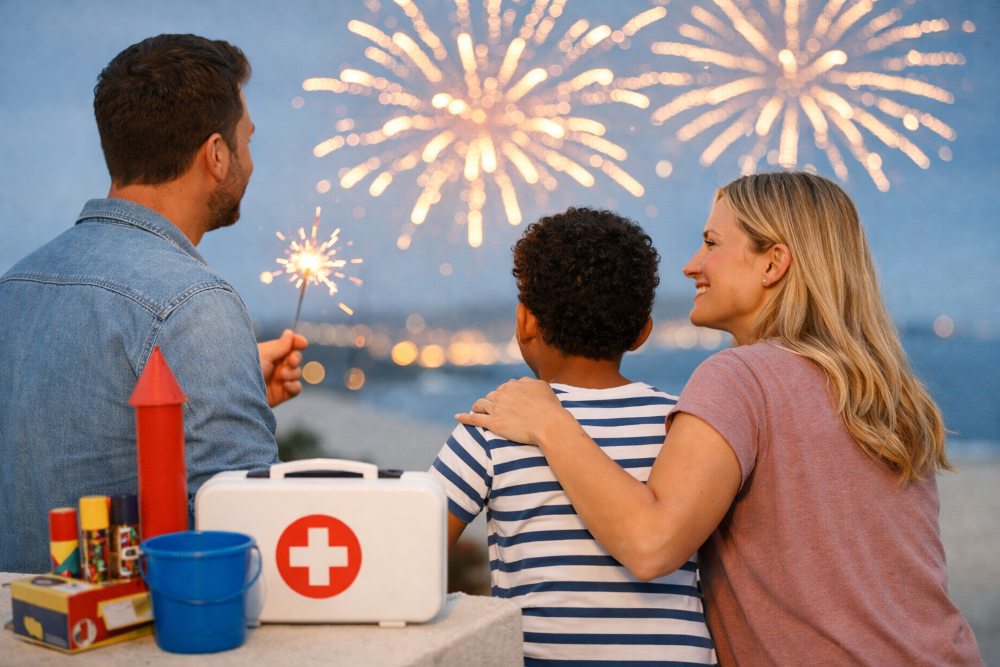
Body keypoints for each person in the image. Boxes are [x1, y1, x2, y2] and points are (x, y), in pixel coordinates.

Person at [459, 173, 984, 666]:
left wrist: (551, 423)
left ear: (773, 263)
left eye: (711, 243)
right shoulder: (886, 395)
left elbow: (651, 544)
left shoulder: (741, 376)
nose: (692, 265)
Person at [0, 34, 307, 574]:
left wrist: (232, 383)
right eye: (247, 141)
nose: (250, 162)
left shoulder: (14, 286)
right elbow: (244, 531)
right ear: (215, 154)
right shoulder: (194, 305)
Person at [430, 208, 718, 666]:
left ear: (525, 321)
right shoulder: (685, 424)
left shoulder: (493, 426)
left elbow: (416, 553)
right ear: (643, 331)